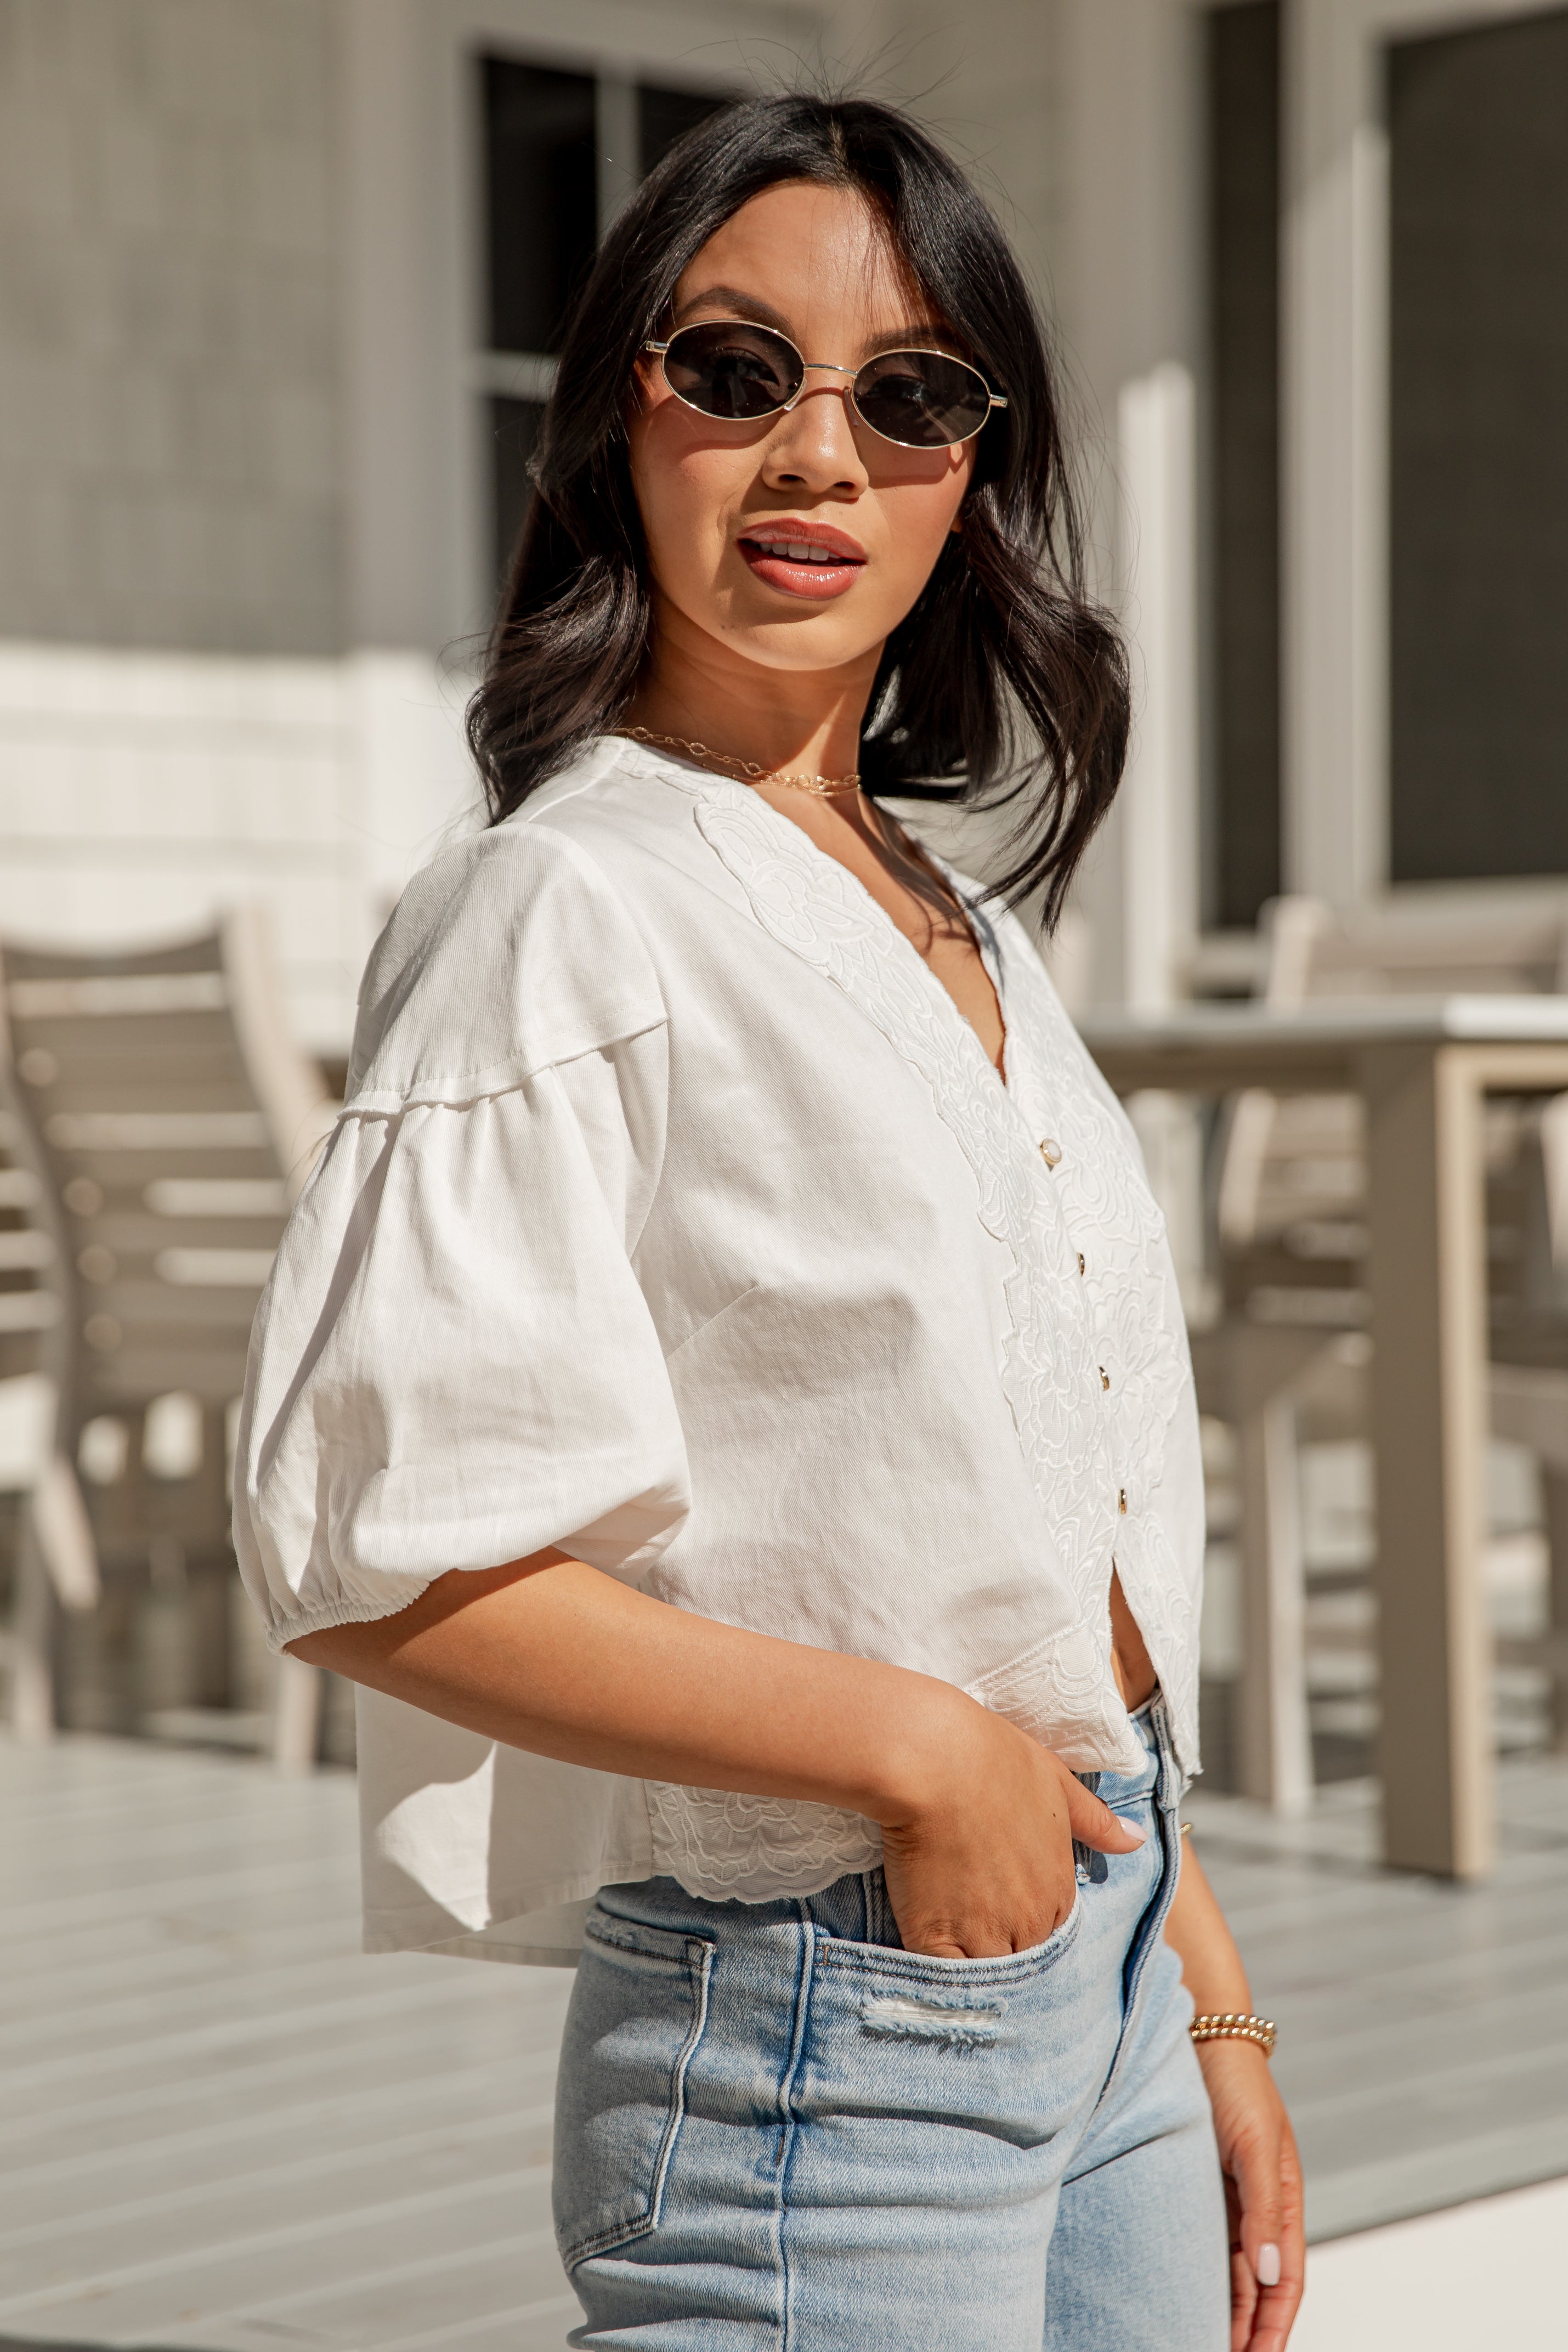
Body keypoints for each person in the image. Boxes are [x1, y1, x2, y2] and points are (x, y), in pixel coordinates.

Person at [235, 93, 1303, 2351]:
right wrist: (921, 1757)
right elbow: (379, 1552)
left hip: (1095, 1950)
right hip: (830, 2018)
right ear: (618, 407)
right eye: (735, 372)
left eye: (906, 396)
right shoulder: (560, 903)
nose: (817, 453)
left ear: (972, 471)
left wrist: (1198, 1991)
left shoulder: (953, 909)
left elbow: (1032, 1533)